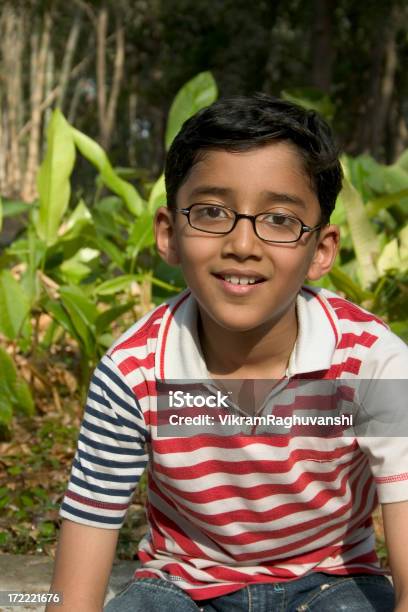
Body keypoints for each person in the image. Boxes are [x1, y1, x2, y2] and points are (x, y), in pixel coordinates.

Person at [47, 94, 408, 612]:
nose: (242, 243)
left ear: (321, 250)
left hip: (332, 582)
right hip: (181, 587)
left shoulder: (373, 363)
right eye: (212, 212)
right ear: (169, 234)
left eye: (280, 219)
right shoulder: (133, 371)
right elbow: (73, 595)